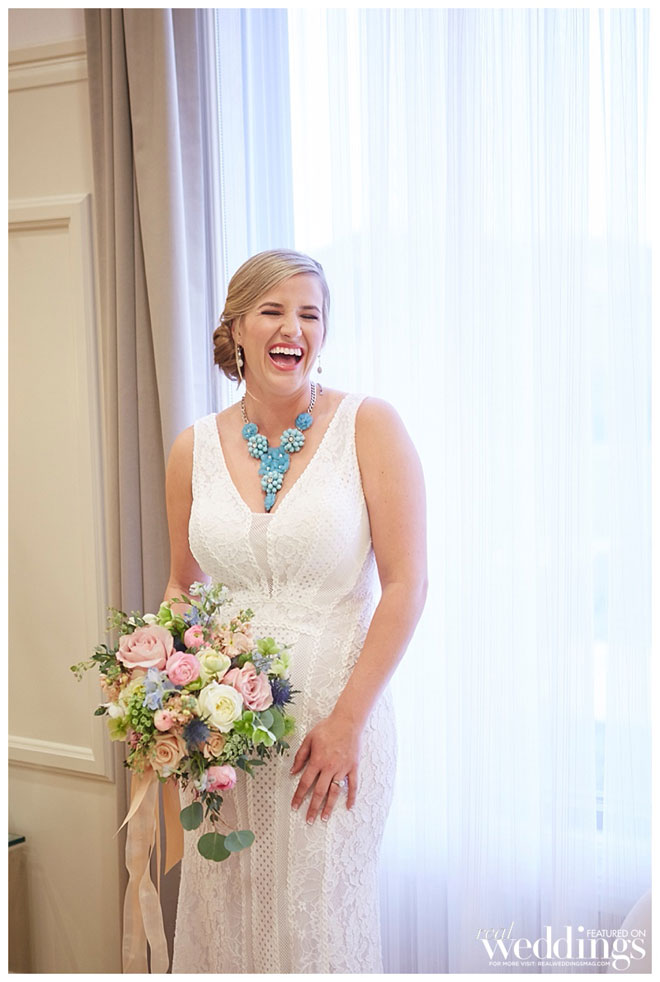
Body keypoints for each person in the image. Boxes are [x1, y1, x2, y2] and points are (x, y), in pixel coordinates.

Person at [165, 249, 427, 973]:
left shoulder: (369, 426)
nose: (293, 329)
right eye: (273, 311)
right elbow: (183, 587)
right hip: (223, 740)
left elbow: (407, 585)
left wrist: (347, 723)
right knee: (227, 922)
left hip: (330, 733)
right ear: (236, 329)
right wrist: (166, 701)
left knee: (318, 933)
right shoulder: (192, 448)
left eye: (310, 314)